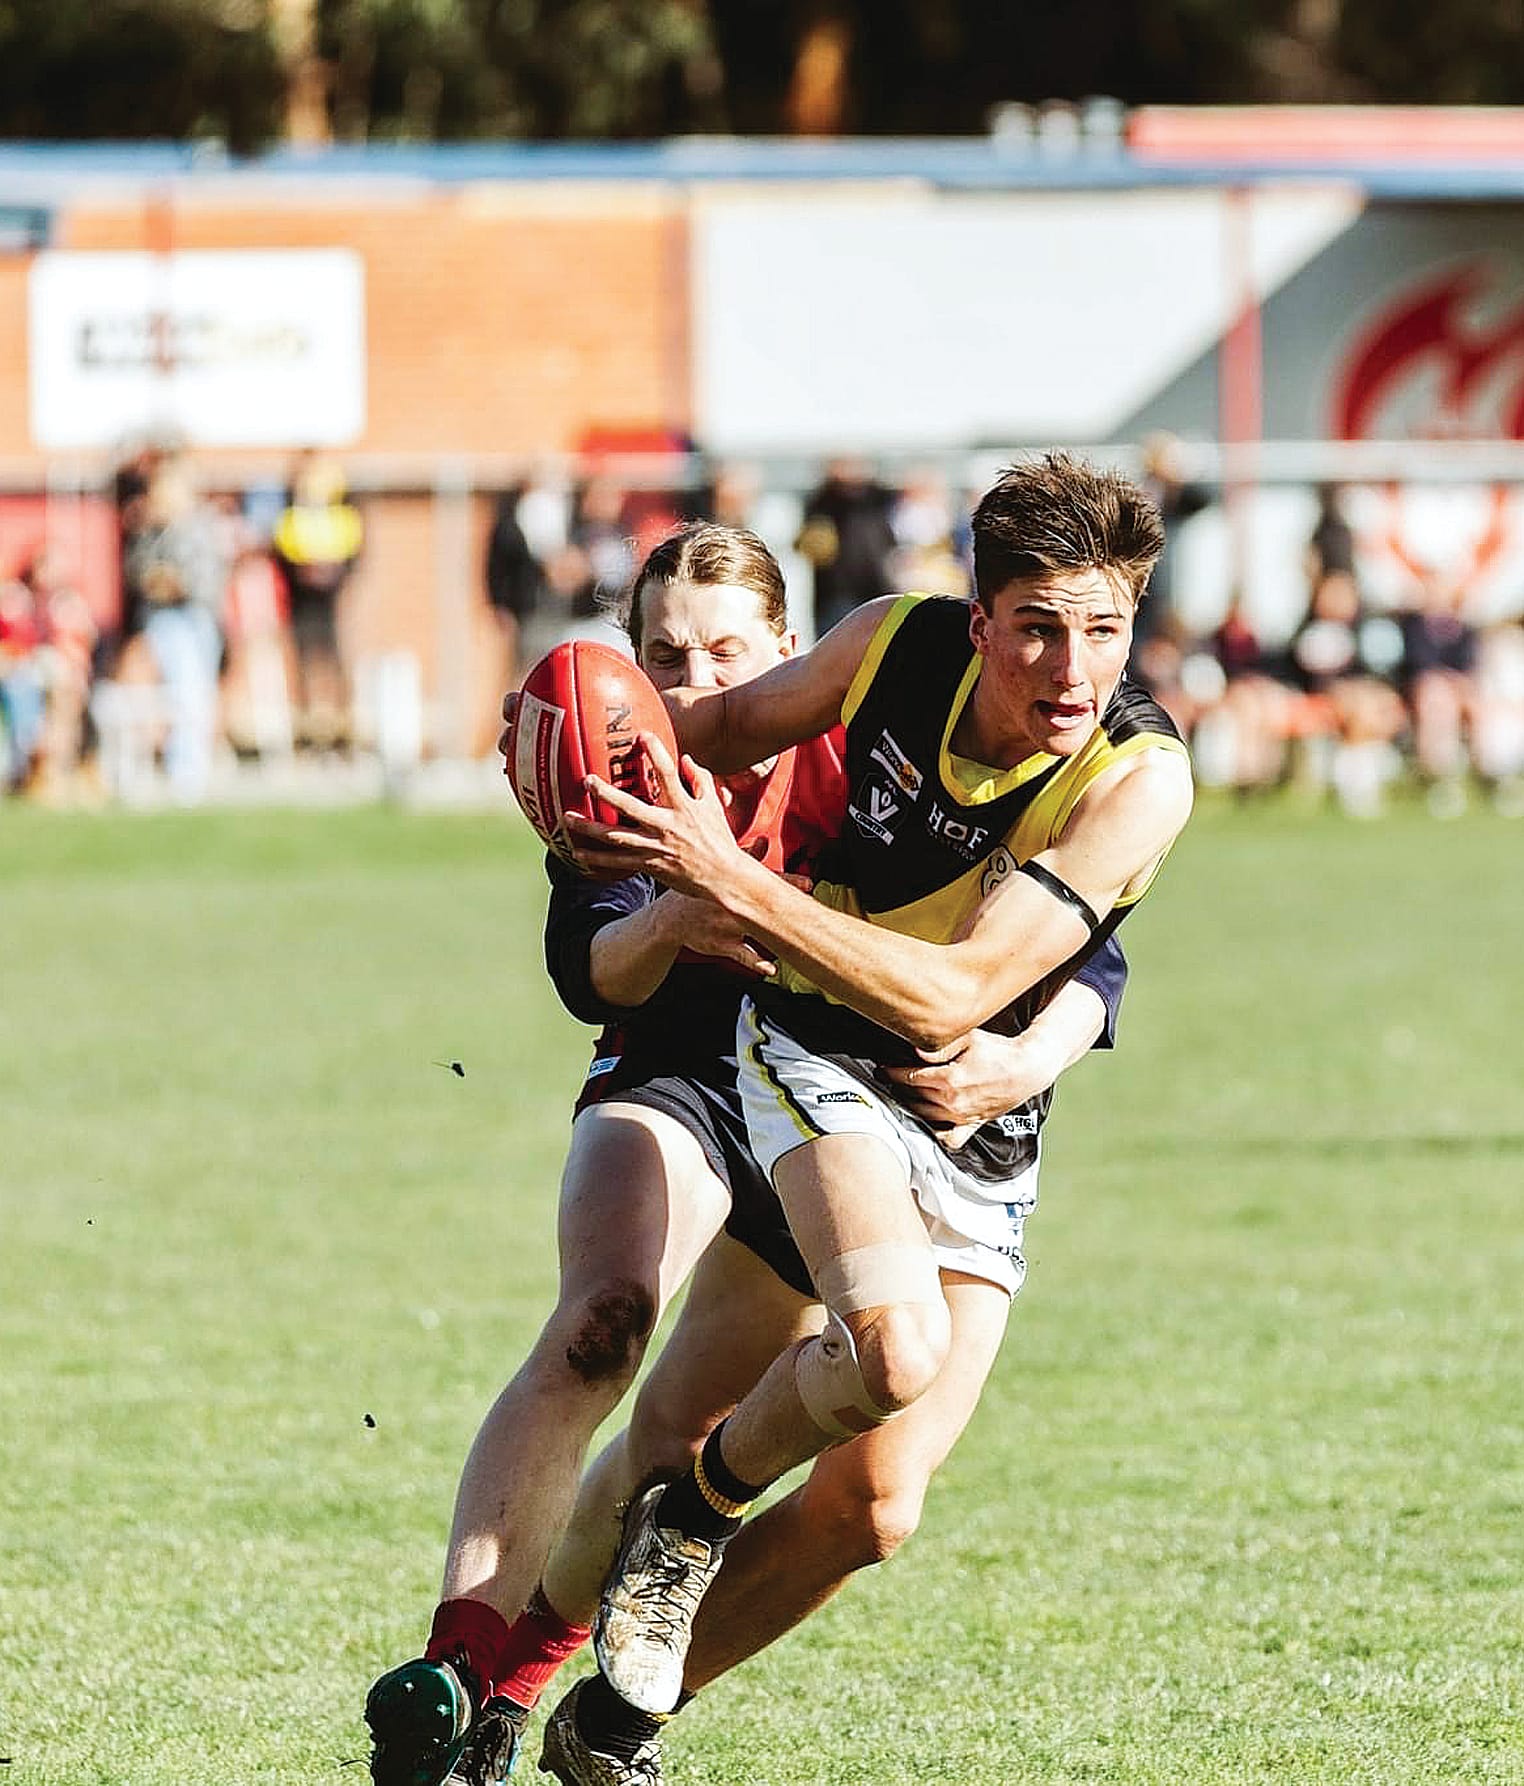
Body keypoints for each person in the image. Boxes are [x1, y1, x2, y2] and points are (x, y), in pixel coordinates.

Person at [363, 521, 1127, 1786]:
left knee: (761, 1466)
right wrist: (680, 902)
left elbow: (1082, 937)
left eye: (726, 651)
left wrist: (1032, 1051)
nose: (695, 680)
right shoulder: (618, 754)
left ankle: (557, 1699)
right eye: (666, 654)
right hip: (680, 1066)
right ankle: (460, 1668)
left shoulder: (869, 723)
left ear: (790, 647)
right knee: (603, 1321)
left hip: (861, 1094)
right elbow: (592, 970)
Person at [559, 453, 1193, 1735]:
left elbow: (954, 998)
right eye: (1038, 629)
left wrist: (736, 885)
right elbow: (713, 731)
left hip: (975, 1115)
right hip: (816, 1047)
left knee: (874, 1507)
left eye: (1105, 630)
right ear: (979, 621)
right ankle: (619, 1576)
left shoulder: (1139, 780)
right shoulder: (894, 645)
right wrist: (576, 752)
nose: (1073, 669)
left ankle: (610, 1726)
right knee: (889, 1354)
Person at [271, 451, 363, 752]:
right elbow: (282, 551)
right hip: (302, 601)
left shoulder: (342, 513)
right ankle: (309, 731)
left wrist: (332, 571)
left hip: (329, 601)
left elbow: (353, 553)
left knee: (334, 663)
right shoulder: (291, 513)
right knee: (304, 666)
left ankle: (343, 729)